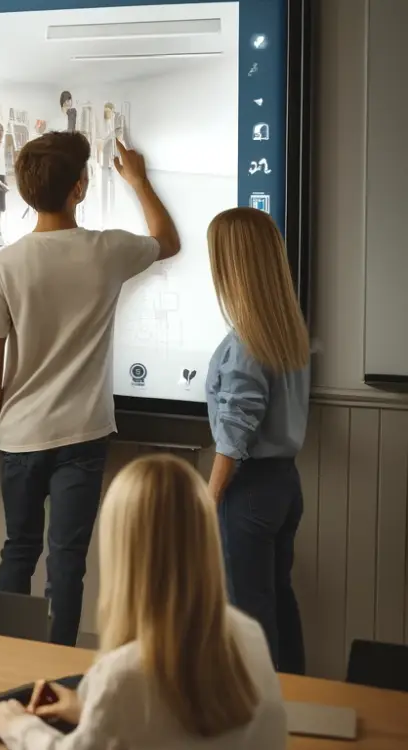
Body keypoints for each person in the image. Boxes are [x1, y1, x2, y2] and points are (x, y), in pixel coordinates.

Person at [0, 132, 179, 646]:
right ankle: (54, 671)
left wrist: (2, 419)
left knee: (17, 551)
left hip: (21, 433)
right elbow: (167, 240)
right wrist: (138, 179)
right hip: (82, 435)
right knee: (67, 561)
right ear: (80, 188)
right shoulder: (107, 249)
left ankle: (4, 658)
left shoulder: (3, 265)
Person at [0, 454, 287, 750]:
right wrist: (89, 712)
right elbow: (174, 731)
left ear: (123, 553)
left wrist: (19, 727)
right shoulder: (250, 637)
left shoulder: (123, 676)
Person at [205, 207, 310, 675]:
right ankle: (292, 706)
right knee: (276, 601)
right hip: (285, 485)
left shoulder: (246, 342)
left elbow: (234, 433)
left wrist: (209, 498)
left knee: (246, 613)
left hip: (248, 491)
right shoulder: (287, 330)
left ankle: (254, 719)